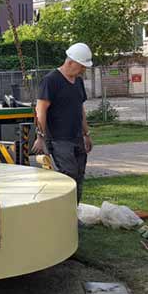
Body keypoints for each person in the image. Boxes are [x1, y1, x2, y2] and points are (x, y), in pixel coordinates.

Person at [31, 43, 93, 203]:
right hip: (59, 139)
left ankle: (74, 214)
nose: (83, 70)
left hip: (77, 137)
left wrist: (86, 134)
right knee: (69, 175)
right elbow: (41, 110)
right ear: (71, 61)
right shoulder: (50, 81)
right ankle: (64, 216)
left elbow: (80, 109)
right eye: (82, 66)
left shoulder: (78, 82)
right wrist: (40, 137)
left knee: (79, 176)